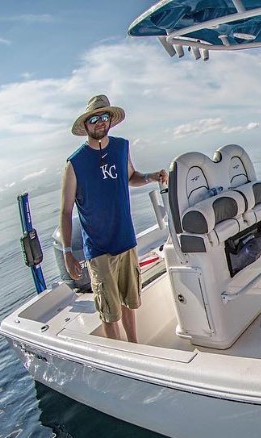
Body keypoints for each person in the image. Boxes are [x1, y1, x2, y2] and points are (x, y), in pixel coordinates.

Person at [59, 94, 167, 343]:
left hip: (126, 240)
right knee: (109, 312)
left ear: (110, 120)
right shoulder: (74, 163)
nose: (99, 122)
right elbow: (65, 211)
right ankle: (120, 354)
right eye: (94, 118)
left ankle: (134, 346)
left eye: (104, 117)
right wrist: (67, 251)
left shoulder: (121, 148)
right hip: (98, 250)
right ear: (86, 125)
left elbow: (131, 177)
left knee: (131, 302)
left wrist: (151, 176)